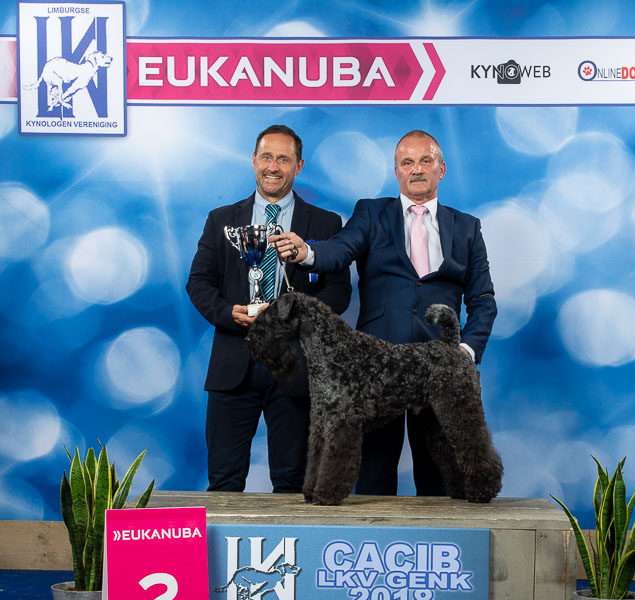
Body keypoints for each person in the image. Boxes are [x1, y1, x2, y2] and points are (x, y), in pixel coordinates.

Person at [272, 129, 497, 497]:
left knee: (443, 482)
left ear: (441, 169)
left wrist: (466, 351)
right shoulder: (371, 213)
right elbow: (340, 249)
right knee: (373, 481)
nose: (417, 169)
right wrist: (307, 253)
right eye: (407, 162)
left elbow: (483, 298)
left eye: (426, 161)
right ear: (397, 172)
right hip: (375, 368)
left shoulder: (468, 227)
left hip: (439, 363)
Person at [187, 124, 351, 493]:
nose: (273, 167)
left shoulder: (325, 223)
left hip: (296, 365)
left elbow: (339, 293)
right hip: (234, 363)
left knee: (293, 483)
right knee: (223, 481)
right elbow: (198, 283)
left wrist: (290, 318)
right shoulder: (221, 219)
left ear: (299, 166)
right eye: (266, 157)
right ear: (253, 161)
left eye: (283, 159)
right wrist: (227, 313)